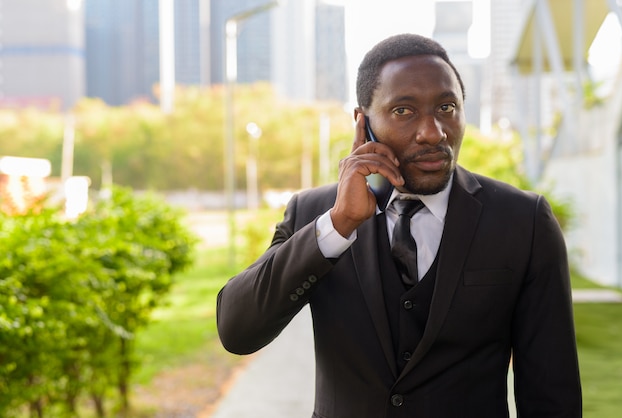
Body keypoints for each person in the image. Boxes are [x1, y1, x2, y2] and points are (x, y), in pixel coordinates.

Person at [216, 33, 582, 417]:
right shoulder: (314, 213)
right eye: (403, 111)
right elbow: (237, 329)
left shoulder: (523, 221)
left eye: (446, 107)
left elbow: (552, 394)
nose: (433, 132)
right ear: (364, 123)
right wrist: (338, 226)